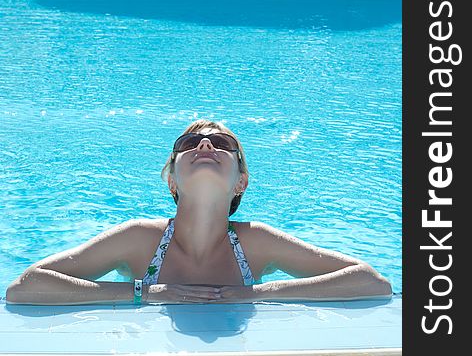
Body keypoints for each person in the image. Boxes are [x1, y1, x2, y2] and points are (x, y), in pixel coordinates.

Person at [6, 119, 392, 306]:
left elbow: (372, 282)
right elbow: (25, 288)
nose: (205, 143)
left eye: (221, 143)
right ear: (172, 181)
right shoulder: (140, 240)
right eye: (189, 142)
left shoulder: (255, 242)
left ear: (240, 181)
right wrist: (147, 292)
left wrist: (257, 293)